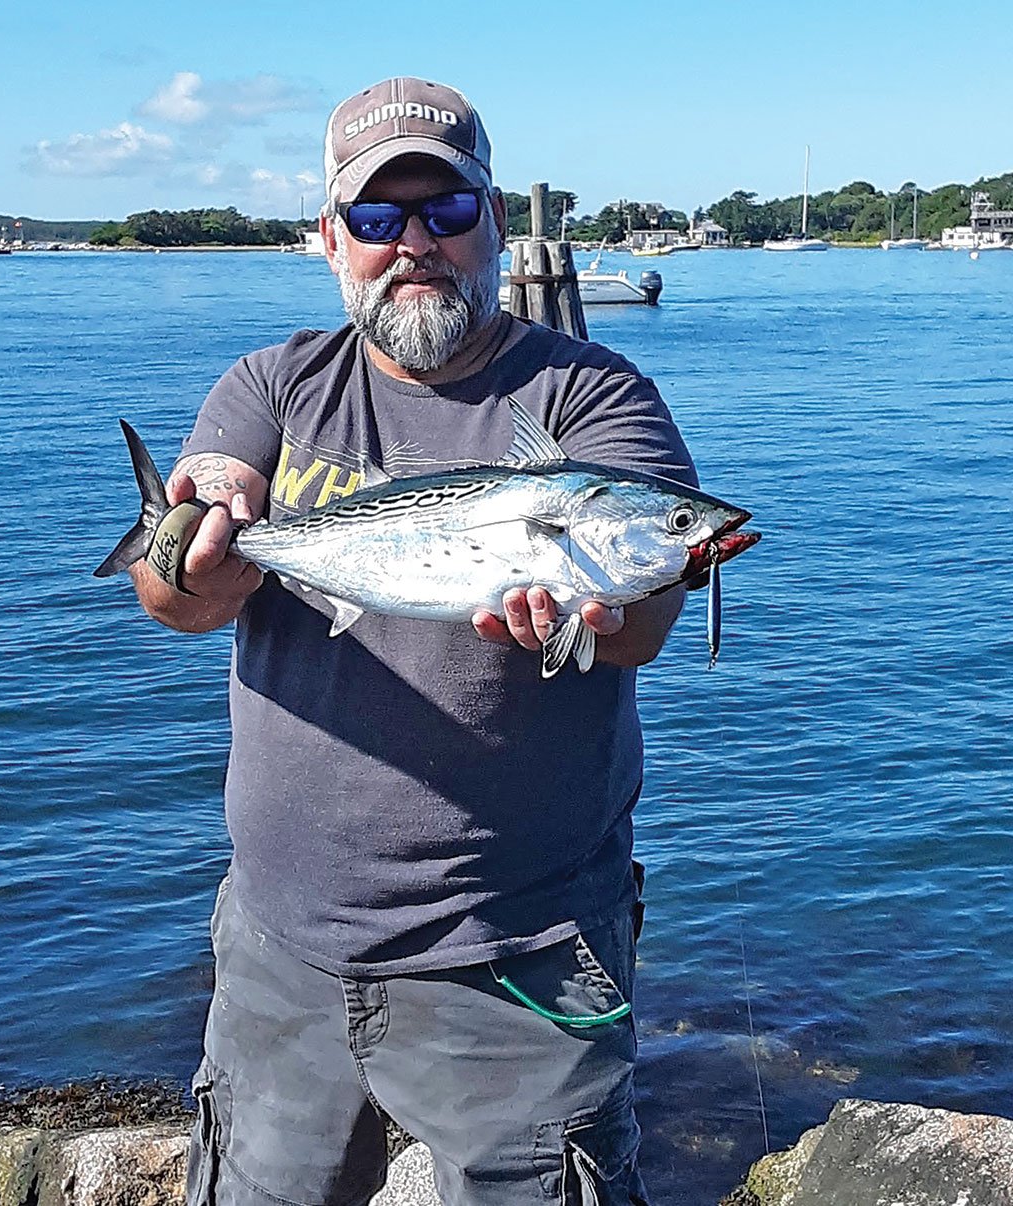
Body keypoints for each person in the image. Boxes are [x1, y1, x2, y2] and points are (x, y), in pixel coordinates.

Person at [130, 77, 700, 1206]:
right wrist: (193, 537)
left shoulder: (591, 394)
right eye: (378, 221)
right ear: (331, 238)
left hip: (518, 951)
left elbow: (643, 617)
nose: (414, 245)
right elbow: (175, 602)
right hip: (278, 948)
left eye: (444, 212)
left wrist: (604, 609)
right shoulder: (274, 385)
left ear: (493, 221)